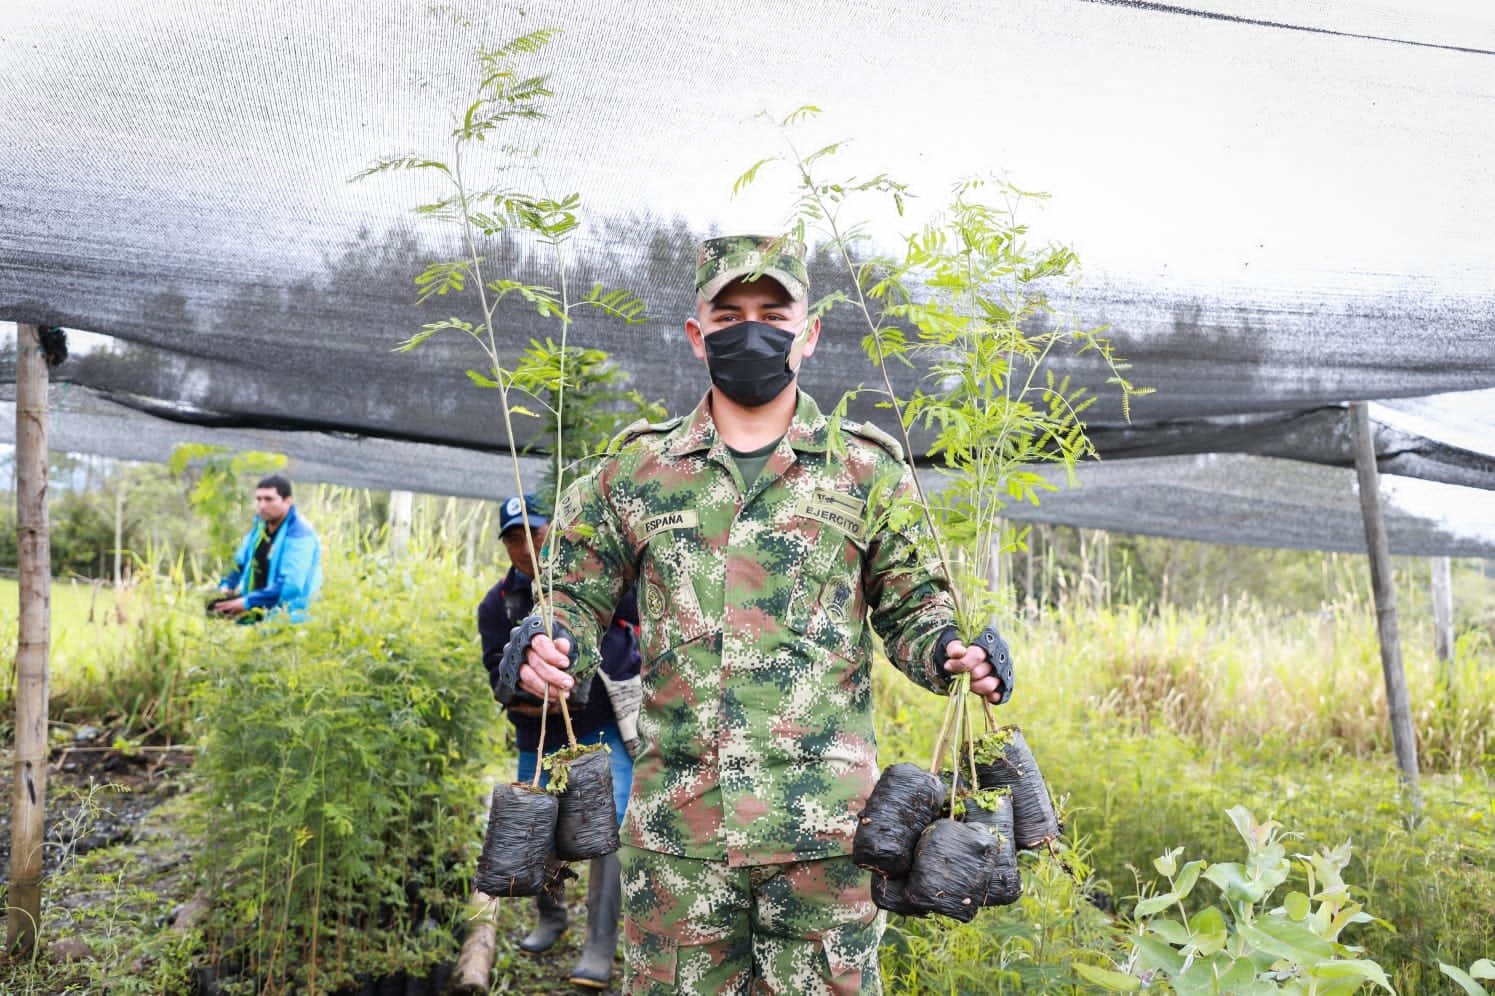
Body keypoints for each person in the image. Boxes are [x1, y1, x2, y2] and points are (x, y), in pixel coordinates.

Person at [495, 235, 1015, 994]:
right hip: (677, 838)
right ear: (696, 332)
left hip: (827, 836)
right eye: (728, 312)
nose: (751, 329)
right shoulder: (634, 470)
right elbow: (570, 592)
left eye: (773, 313)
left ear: (807, 334)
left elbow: (913, 607)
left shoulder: (865, 468)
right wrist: (546, 642)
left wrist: (953, 652)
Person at [476, 492, 642, 990]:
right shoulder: (498, 602)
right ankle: (550, 918)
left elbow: (641, 620)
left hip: (603, 728)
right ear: (505, 547)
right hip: (538, 732)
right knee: (533, 828)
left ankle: (599, 944)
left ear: (554, 533)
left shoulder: (595, 583)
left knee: (606, 828)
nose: (525, 544)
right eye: (512, 537)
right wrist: (528, 689)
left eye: (535, 531)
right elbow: (495, 678)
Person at [212, 474, 322, 623]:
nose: (262, 505)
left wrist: (248, 602)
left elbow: (290, 585)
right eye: (259, 499)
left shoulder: (299, 533)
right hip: (256, 620)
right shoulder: (259, 529)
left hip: (290, 621)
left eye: (269, 499)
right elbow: (239, 562)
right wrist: (226, 586)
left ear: (287, 501)